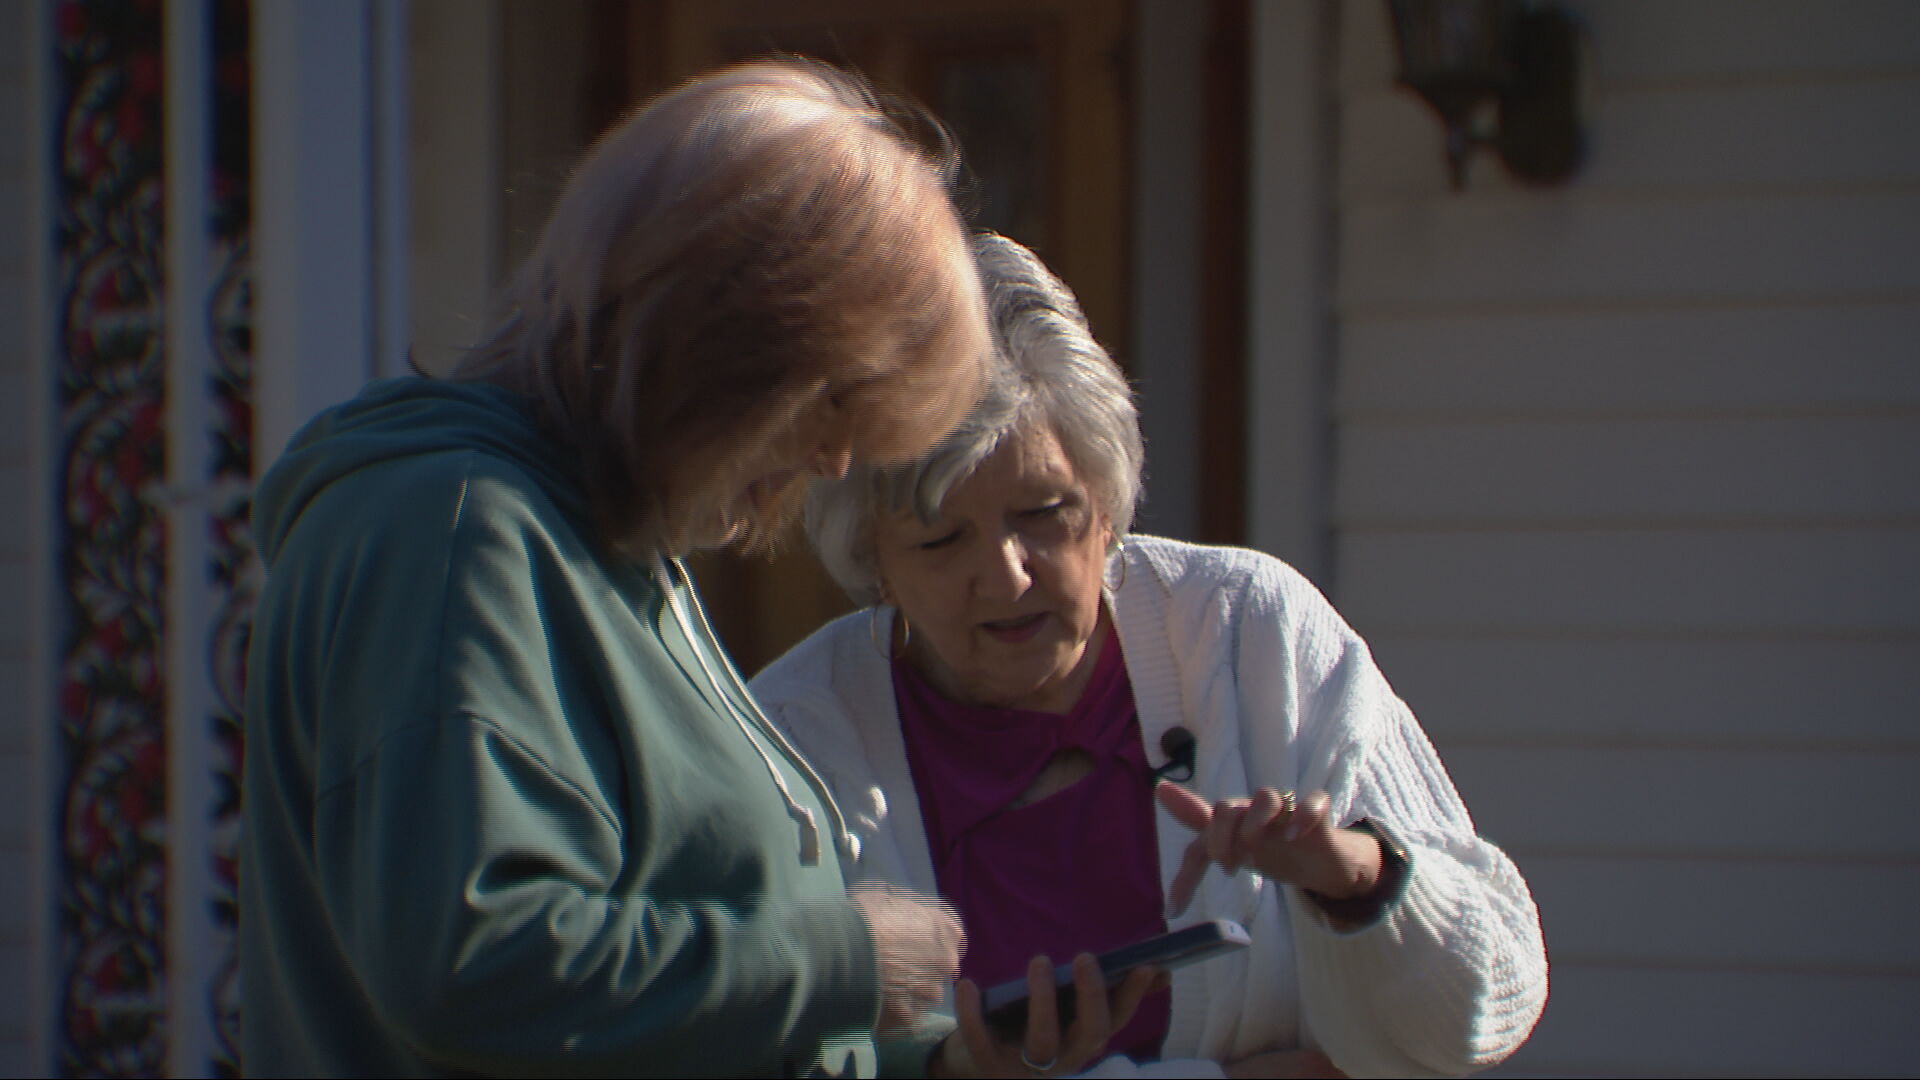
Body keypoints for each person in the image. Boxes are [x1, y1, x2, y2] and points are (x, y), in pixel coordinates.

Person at [241, 61, 1023, 1078]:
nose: (832, 463)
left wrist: (936, 1057)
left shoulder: (594, 538)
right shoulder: (455, 535)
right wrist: (842, 957)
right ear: (720, 352)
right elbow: (475, 966)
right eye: (829, 411)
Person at [751, 234, 1550, 1078]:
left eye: (1045, 512)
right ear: (876, 564)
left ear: (1107, 506)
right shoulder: (799, 739)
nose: (1006, 574)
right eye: (943, 538)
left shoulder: (1247, 630)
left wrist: (1355, 880)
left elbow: (1481, 1012)